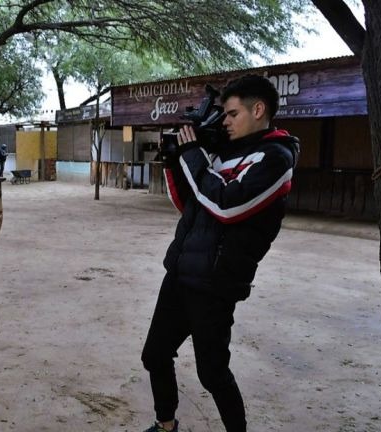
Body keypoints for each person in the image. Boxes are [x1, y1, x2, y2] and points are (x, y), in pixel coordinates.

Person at [141, 74, 300, 432]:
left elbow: (228, 206)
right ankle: (165, 426)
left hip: (215, 283)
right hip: (181, 271)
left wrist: (195, 157)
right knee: (154, 355)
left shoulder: (276, 158)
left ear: (258, 110)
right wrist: (176, 161)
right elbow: (191, 204)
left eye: (231, 114)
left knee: (212, 373)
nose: (224, 121)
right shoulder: (223, 152)